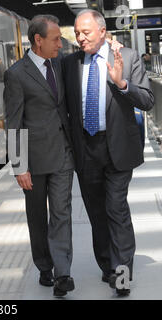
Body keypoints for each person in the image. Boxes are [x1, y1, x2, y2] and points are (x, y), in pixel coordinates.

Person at [62, 9, 154, 296]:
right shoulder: (69, 63)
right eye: (77, 32)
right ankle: (108, 267)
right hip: (85, 149)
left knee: (116, 209)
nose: (80, 38)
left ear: (102, 31)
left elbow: (148, 100)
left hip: (117, 148)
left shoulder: (126, 58)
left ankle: (122, 273)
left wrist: (122, 83)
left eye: (85, 32)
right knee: (97, 213)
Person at [3, 15, 75, 297]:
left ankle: (63, 273)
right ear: (38, 40)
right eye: (55, 39)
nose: (60, 43)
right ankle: (44, 265)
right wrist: (20, 166)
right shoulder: (16, 74)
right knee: (37, 216)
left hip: (62, 155)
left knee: (61, 212)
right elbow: (13, 123)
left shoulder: (59, 65)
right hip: (33, 161)